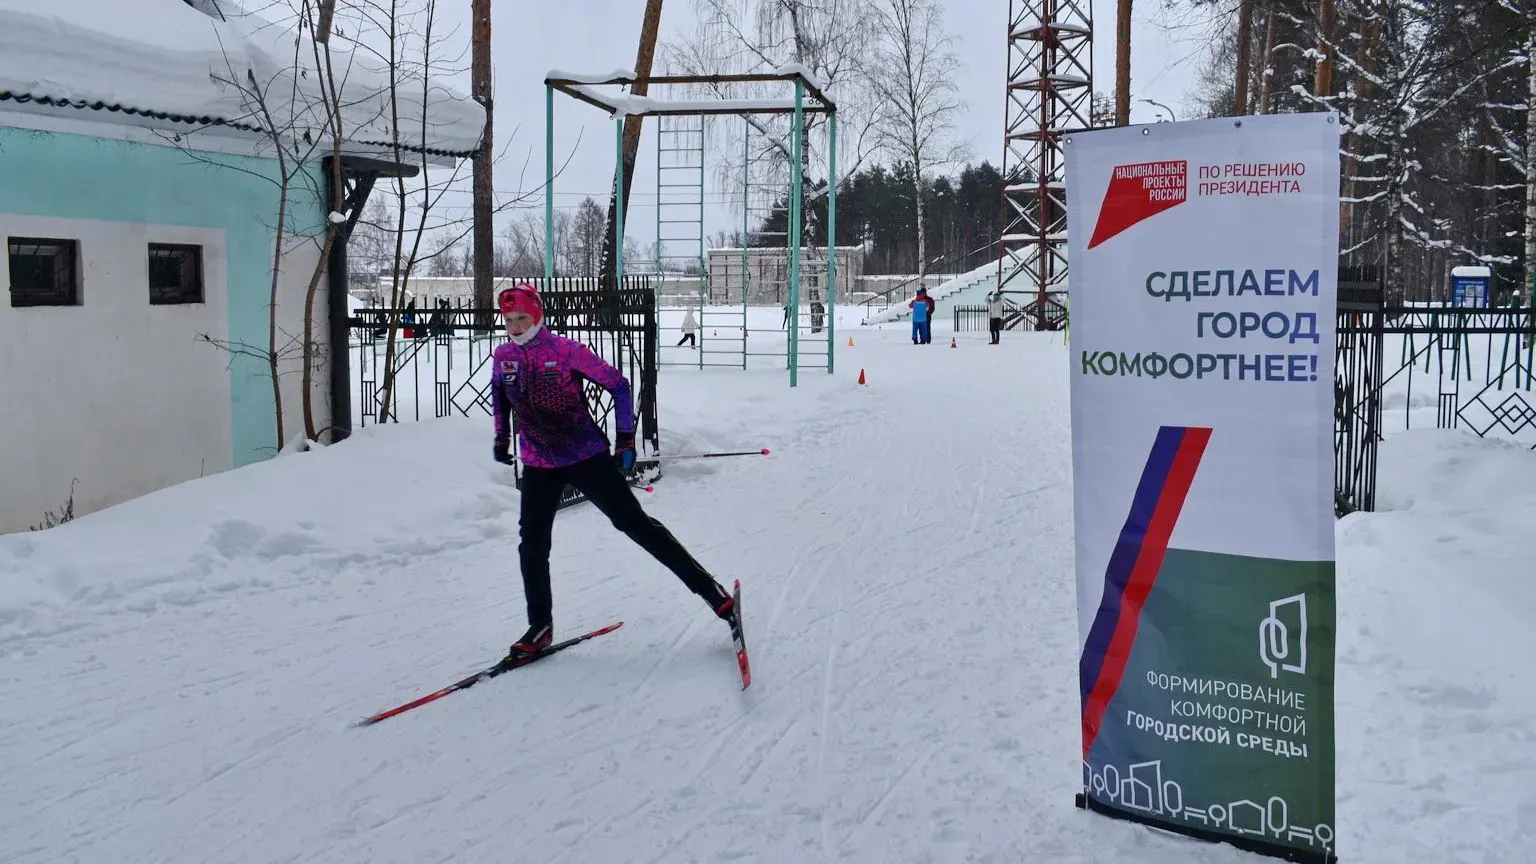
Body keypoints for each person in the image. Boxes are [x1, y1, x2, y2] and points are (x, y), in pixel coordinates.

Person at [489, 283, 739, 660]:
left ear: (537, 315)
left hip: (585, 455)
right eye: (509, 320)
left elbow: (619, 386)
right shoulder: (504, 356)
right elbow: (500, 398)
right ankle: (539, 626)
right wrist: (500, 439)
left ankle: (714, 595)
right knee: (533, 544)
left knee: (636, 525)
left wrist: (625, 440)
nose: (515, 326)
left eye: (522, 317)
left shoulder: (565, 350)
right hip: (539, 462)